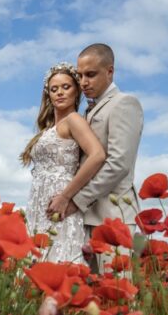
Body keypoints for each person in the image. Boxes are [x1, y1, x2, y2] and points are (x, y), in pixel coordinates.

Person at [47, 43, 143, 272]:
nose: (83, 82)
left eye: (90, 75)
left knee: (115, 295)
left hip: (113, 218)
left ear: (110, 71)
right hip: (85, 219)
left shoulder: (124, 103)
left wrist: (76, 200)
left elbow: (118, 164)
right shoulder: (88, 111)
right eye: (80, 76)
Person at [22, 62, 107, 263]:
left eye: (66, 87)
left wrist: (65, 196)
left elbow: (97, 155)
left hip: (59, 201)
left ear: (76, 91)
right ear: (48, 95)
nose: (60, 93)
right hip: (38, 202)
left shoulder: (73, 120)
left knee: (58, 259)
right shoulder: (50, 128)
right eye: (54, 89)